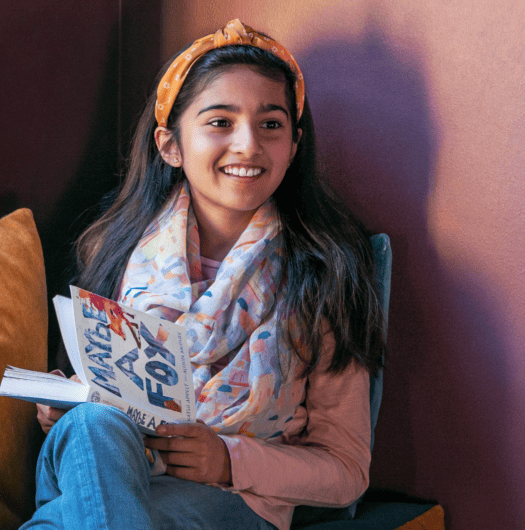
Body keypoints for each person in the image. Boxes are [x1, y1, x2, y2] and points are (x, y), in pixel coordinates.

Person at [24, 19, 386, 530]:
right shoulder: (115, 248)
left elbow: (346, 470)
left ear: (295, 143)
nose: (247, 145)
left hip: (227, 500)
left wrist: (228, 458)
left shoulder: (324, 273)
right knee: (94, 424)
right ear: (170, 145)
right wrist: (64, 406)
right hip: (100, 464)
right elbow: (96, 405)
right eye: (220, 122)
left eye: (271, 124)